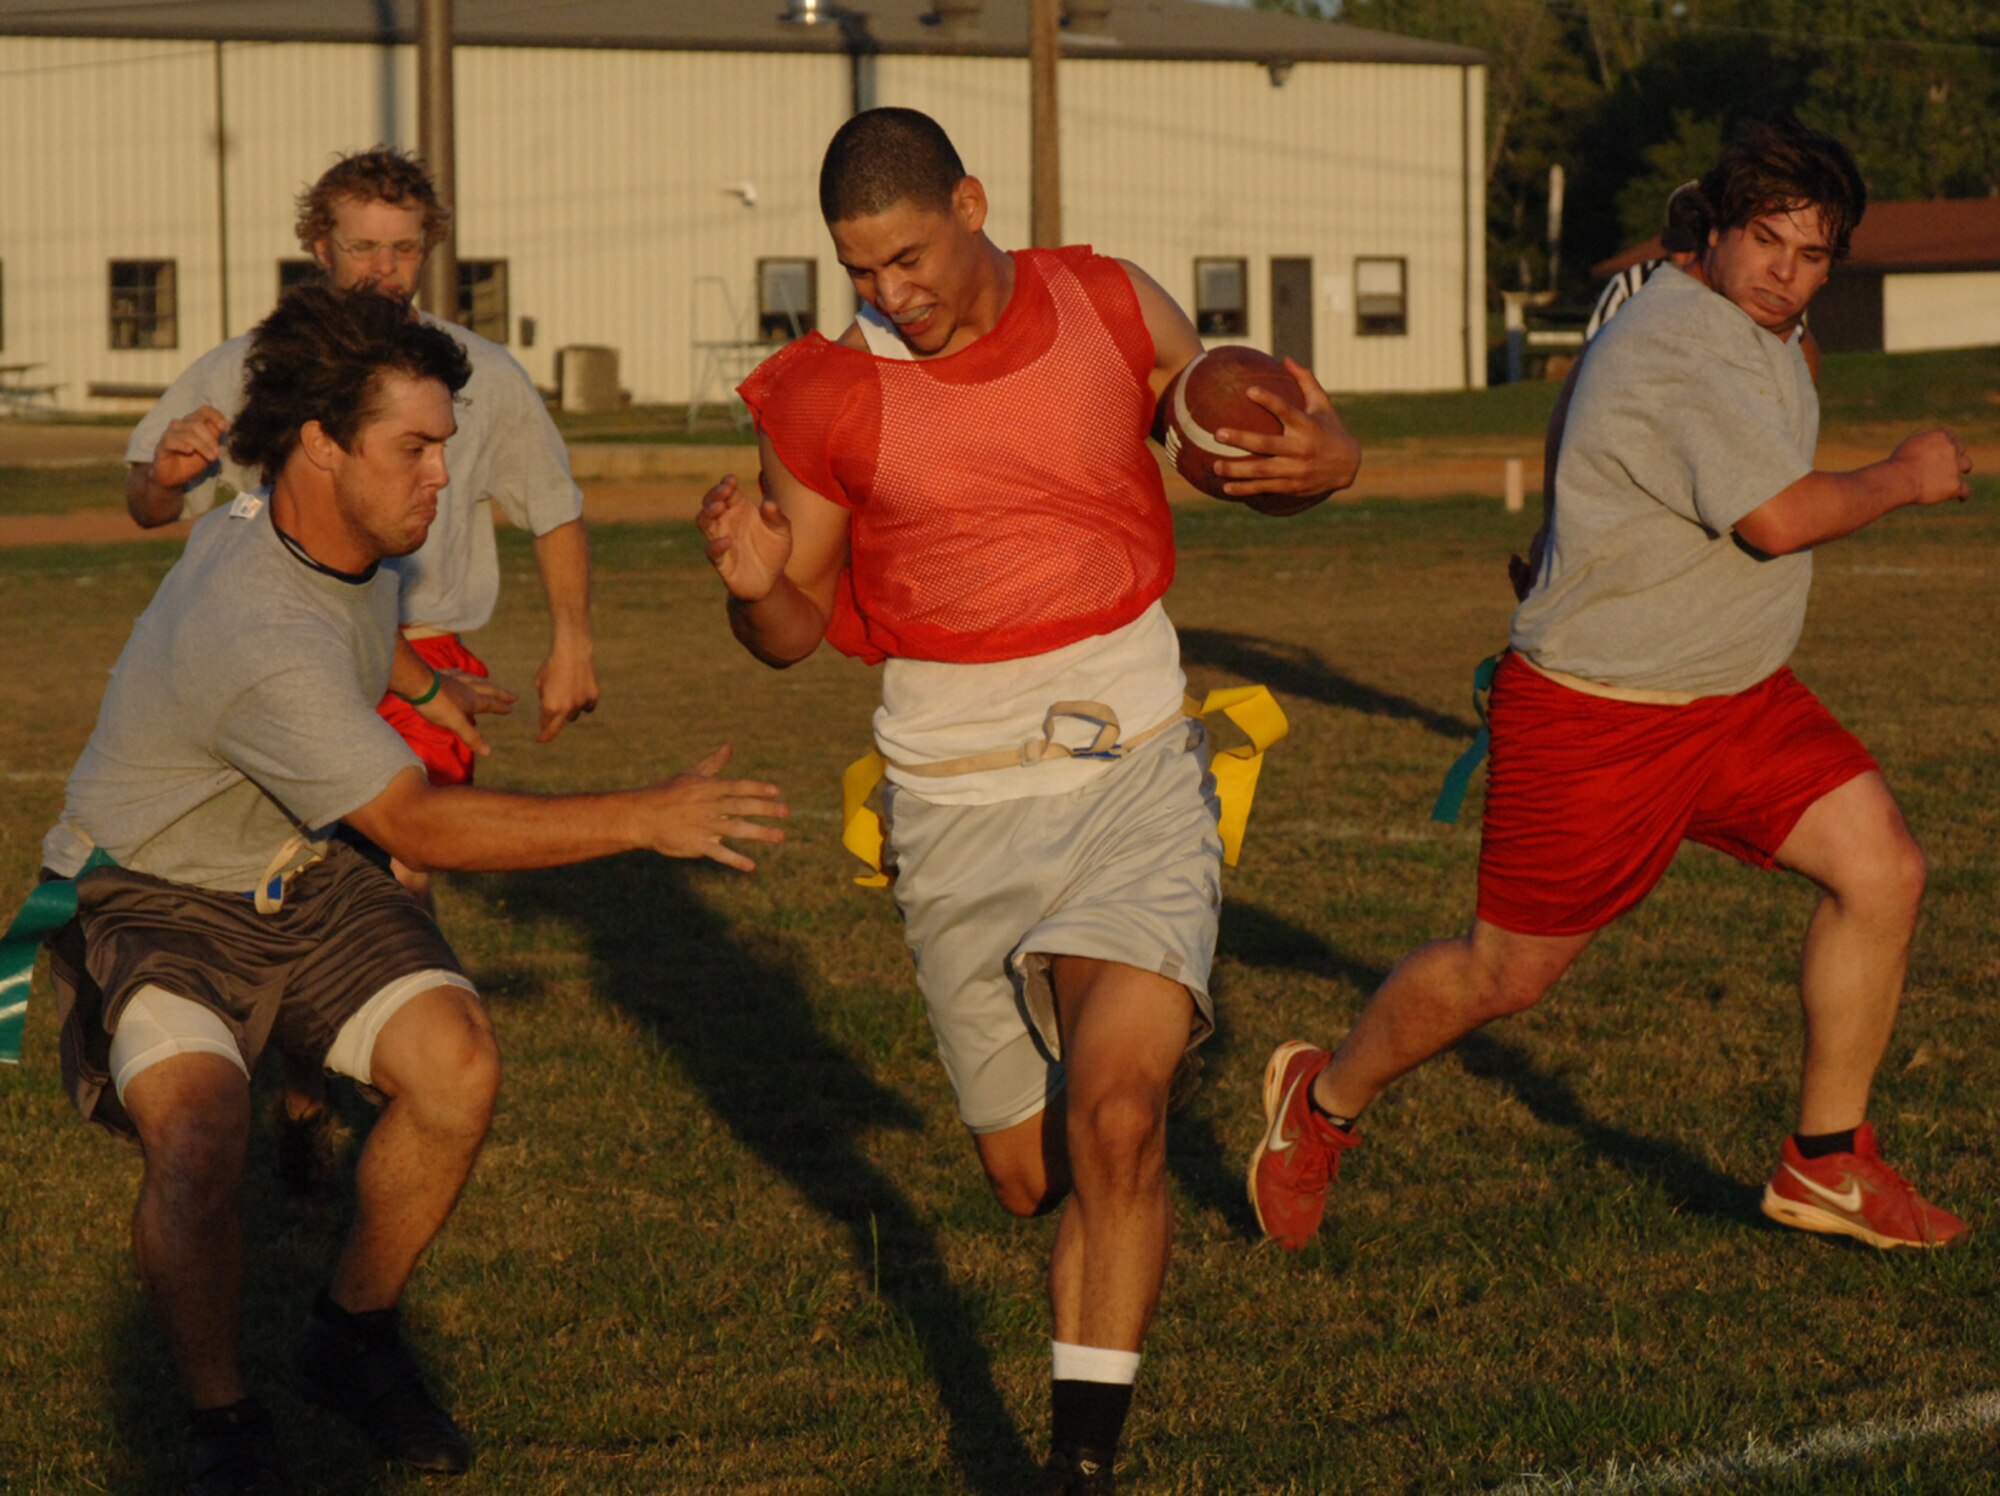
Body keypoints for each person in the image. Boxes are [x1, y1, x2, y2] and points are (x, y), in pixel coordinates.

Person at [697, 108, 1358, 1493]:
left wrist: (1324, 463)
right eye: (860, 269)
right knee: (1026, 1171)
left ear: (973, 203)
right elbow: (791, 627)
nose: (891, 293)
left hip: (1132, 762)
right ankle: (1112, 1110)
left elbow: (1230, 437)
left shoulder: (1110, 301)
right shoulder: (825, 395)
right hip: (951, 802)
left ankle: (1079, 1467)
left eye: (909, 257)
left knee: (1118, 1117)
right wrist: (758, 589)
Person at [41, 285, 786, 1495]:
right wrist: (644, 815)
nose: (443, 475)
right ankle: (222, 1420)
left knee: (456, 1064)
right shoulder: (253, 626)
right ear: (323, 446)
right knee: (197, 1143)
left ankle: (352, 1335)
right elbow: (414, 819)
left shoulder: (330, 531)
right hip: (151, 893)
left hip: (295, 864)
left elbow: (358, 610)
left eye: (446, 443)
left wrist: (423, 688)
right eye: (416, 447)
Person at [1251, 113, 1973, 1257]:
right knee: (1503, 974)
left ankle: (1823, 1161)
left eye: (1812, 254)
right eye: (1767, 243)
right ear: (1716, 236)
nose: (1786, 275)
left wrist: (1558, 525)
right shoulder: (1675, 341)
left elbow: (1587, 397)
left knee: (1881, 867)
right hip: (1598, 713)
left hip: (1733, 692)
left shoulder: (1755, 323)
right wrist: (1905, 475)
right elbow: (1778, 519)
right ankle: (1321, 1101)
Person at [123, 147, 599, 1180]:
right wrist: (165, 479)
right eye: (361, 247)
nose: (384, 269)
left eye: (403, 249)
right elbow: (148, 497)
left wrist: (572, 639)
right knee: (321, 864)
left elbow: (553, 507)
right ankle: (312, 1080)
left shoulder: (474, 372)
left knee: (396, 865)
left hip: (423, 652)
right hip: (287, 652)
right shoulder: (246, 367)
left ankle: (349, 1080)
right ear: (318, 246)